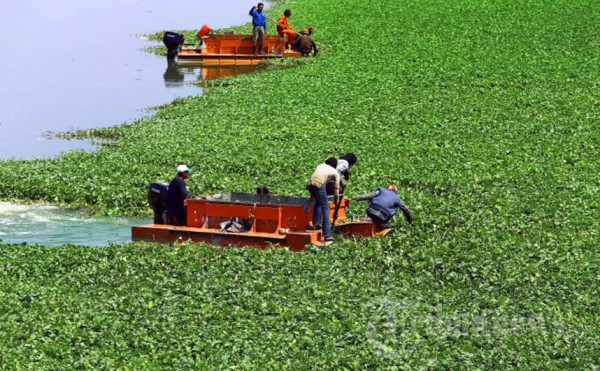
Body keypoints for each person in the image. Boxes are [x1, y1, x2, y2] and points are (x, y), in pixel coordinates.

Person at [306, 158, 341, 242]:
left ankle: (316, 224)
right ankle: (327, 235)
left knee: (318, 202)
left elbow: (314, 177)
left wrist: (312, 194)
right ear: (335, 166)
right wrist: (336, 201)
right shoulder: (336, 172)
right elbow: (336, 189)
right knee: (326, 208)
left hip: (310, 183)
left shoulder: (321, 165)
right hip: (319, 184)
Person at [349, 184, 413, 228]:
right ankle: (382, 224)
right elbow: (405, 210)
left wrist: (356, 198)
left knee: (374, 209)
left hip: (370, 211)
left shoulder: (381, 190)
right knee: (395, 207)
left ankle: (372, 222)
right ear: (395, 191)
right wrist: (410, 221)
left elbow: (369, 196)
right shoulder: (397, 198)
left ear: (387, 188)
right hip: (383, 217)